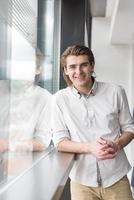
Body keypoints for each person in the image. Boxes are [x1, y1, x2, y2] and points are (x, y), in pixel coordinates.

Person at [52, 45, 134, 200]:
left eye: (83, 64)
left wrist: (117, 145)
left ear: (92, 66)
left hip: (116, 177)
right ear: (66, 71)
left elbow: (129, 128)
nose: (78, 71)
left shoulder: (116, 91)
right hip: (82, 182)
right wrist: (90, 148)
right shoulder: (59, 100)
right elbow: (60, 142)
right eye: (72, 67)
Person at [0, 51, 52, 152]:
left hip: (20, 160)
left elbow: (42, 142)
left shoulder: (45, 98)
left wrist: (7, 145)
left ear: (38, 69)